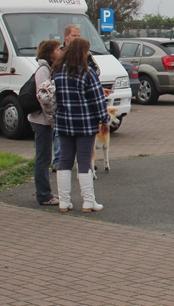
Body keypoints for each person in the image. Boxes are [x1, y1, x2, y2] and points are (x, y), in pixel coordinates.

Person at [53, 37, 111, 212]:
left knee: (64, 160)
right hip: (85, 122)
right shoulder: (87, 72)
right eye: (86, 51)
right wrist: (104, 120)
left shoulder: (58, 71)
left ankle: (64, 201)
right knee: (84, 160)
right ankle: (88, 201)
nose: (88, 54)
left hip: (63, 121)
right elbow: (97, 98)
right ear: (82, 52)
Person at [28, 39, 62, 206]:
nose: (60, 51)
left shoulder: (48, 69)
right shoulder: (43, 70)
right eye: (57, 49)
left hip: (43, 119)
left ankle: (45, 191)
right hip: (41, 120)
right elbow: (43, 96)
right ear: (50, 53)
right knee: (43, 157)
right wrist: (50, 119)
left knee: (45, 156)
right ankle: (44, 194)